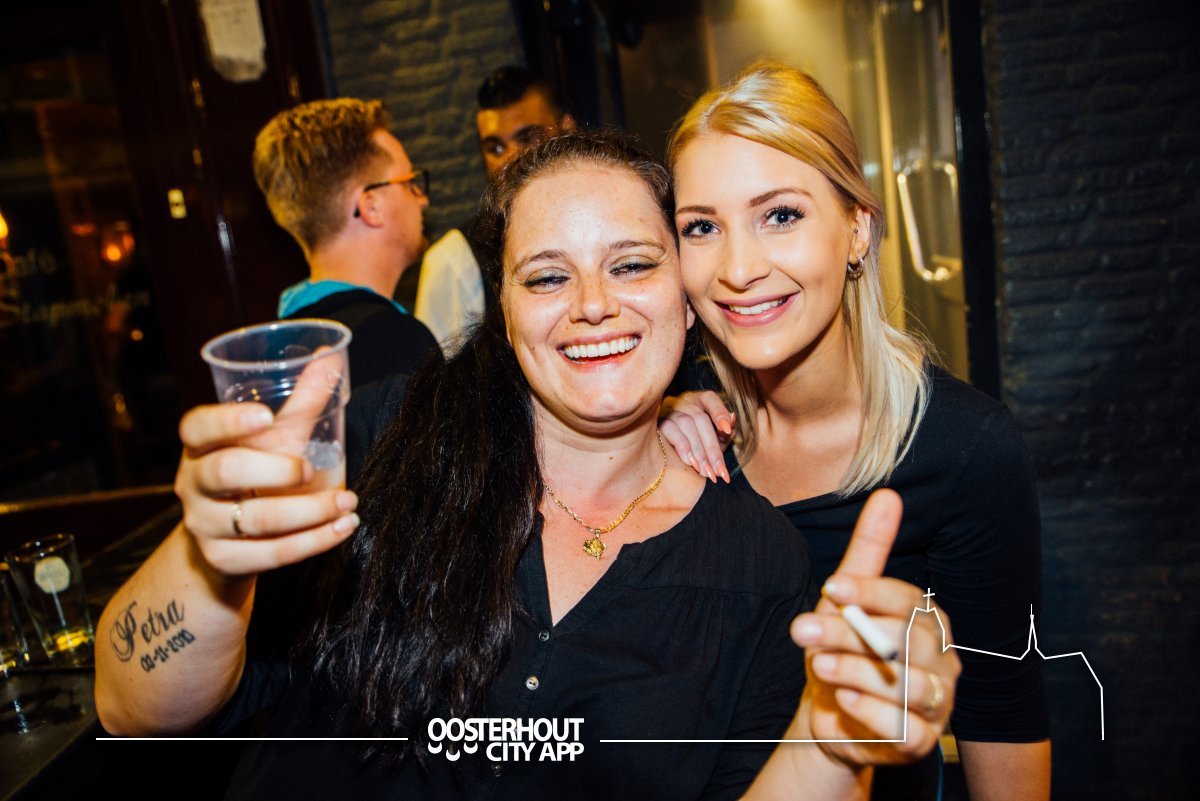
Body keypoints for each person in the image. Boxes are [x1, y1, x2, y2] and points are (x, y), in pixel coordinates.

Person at [94, 130, 959, 799]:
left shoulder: (756, 560)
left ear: (688, 297)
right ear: (504, 309)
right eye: (547, 278)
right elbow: (131, 708)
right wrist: (210, 559)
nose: (593, 305)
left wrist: (830, 740)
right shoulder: (380, 441)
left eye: (632, 264)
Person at [660, 62, 1050, 801]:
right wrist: (649, 427)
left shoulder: (964, 449)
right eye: (701, 227)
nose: (738, 268)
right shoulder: (669, 425)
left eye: (781, 215)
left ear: (857, 229)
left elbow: (1003, 728)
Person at [254, 98, 440, 388]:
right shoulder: (394, 344)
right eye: (409, 182)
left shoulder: (276, 348)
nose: (422, 199)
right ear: (371, 207)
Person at [415, 65, 578, 351]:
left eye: (527, 138)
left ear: (567, 129)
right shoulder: (454, 259)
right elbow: (440, 376)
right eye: (496, 148)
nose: (510, 159)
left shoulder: (613, 224)